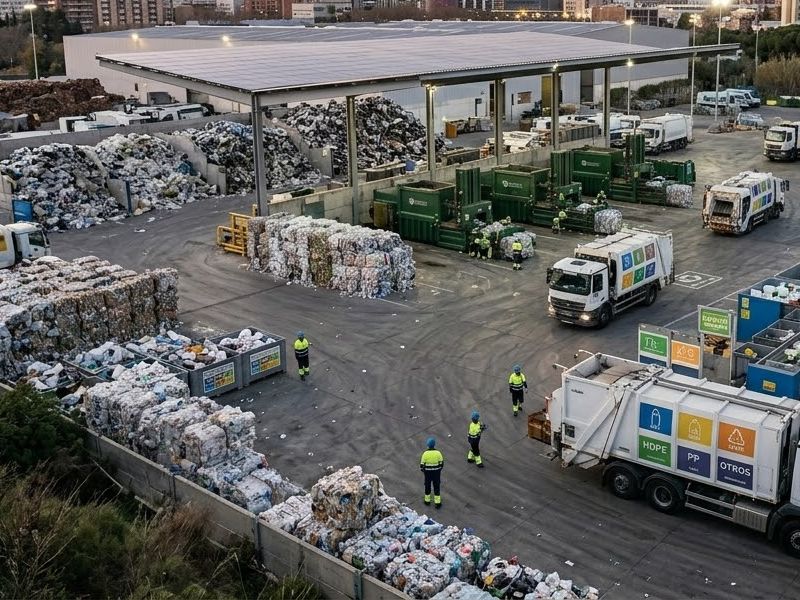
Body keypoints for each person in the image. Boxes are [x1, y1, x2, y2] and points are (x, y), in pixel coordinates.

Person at [420, 437, 444, 508]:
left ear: (428, 445)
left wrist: (424, 471)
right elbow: (441, 464)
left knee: (427, 486)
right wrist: (438, 470)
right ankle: (437, 502)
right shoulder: (438, 453)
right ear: (434, 445)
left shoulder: (425, 454)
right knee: (436, 486)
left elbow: (421, 465)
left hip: (427, 473)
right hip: (436, 473)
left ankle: (427, 501)